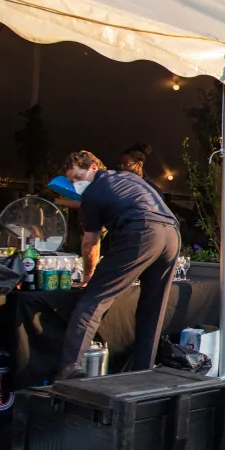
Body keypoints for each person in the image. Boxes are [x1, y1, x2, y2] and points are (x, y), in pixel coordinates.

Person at [56, 151, 179, 380]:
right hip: (171, 234)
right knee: (153, 307)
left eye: (76, 177)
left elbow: (90, 242)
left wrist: (88, 276)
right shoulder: (128, 177)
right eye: (71, 182)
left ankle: (69, 366)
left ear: (93, 166)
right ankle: (143, 371)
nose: (75, 185)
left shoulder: (92, 192)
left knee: (93, 300)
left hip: (142, 231)